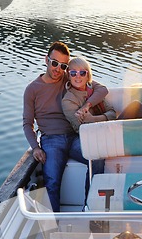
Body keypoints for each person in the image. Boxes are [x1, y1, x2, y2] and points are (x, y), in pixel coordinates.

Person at [23, 41, 108, 212]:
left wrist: (87, 106)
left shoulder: (69, 78)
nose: (58, 69)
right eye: (54, 63)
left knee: (97, 158)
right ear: (46, 60)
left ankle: (88, 208)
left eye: (63, 66)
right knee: (52, 182)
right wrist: (35, 147)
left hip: (75, 136)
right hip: (51, 140)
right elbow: (27, 123)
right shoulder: (32, 89)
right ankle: (53, 226)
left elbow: (102, 90)